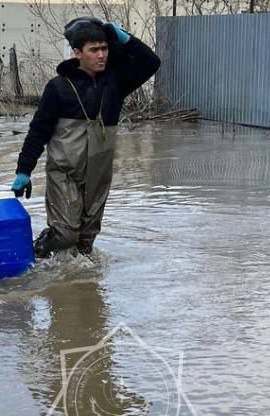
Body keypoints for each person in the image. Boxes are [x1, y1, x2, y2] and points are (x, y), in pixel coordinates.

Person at [11, 16, 160, 257]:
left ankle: (75, 288)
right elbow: (38, 131)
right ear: (77, 53)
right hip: (65, 174)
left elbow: (151, 62)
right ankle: (36, 252)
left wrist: (125, 38)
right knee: (66, 234)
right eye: (94, 50)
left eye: (104, 49)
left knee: (85, 242)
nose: (101, 55)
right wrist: (23, 171)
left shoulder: (115, 84)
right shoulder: (58, 87)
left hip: (98, 176)